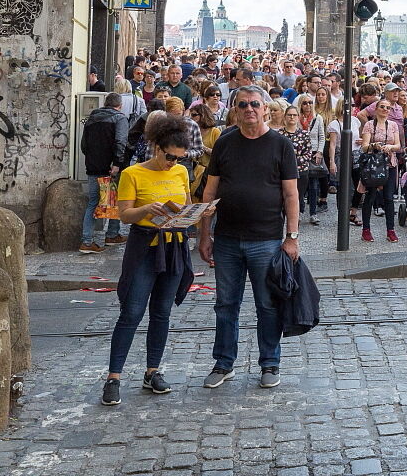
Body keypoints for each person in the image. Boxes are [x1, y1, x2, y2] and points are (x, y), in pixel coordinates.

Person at [198, 84, 300, 390]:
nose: (249, 109)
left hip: (267, 240)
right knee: (226, 304)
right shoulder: (225, 143)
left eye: (255, 104)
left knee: (267, 305)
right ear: (235, 110)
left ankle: (270, 363)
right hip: (227, 238)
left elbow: (291, 194)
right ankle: (224, 363)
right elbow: (210, 191)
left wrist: (291, 236)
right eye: (242, 105)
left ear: (265, 108)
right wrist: (205, 234)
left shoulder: (280, 145)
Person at [100, 113, 202, 407]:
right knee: (131, 313)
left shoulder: (181, 173)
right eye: (170, 157)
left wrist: (195, 213)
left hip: (173, 246)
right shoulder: (133, 173)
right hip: (145, 248)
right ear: (157, 147)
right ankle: (114, 377)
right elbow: (123, 215)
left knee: (162, 313)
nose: (174, 163)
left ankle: (152, 371)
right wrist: (146, 209)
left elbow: (186, 204)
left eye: (180, 159)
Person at [80, 93, 130, 253]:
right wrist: (117, 163)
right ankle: (112, 234)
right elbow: (120, 142)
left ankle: (87, 241)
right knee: (115, 199)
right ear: (119, 105)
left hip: (93, 166)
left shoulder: (92, 118)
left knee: (93, 202)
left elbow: (83, 144)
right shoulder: (120, 118)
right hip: (110, 167)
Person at [359, 98, 404, 242]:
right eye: (382, 107)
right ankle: (366, 229)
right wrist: (375, 145)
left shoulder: (393, 125)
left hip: (389, 163)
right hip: (374, 164)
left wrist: (390, 147)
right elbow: (364, 146)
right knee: (370, 196)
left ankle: (390, 230)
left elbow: (398, 145)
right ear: (376, 109)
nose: (385, 110)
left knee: (389, 198)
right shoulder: (369, 125)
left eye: (388, 108)